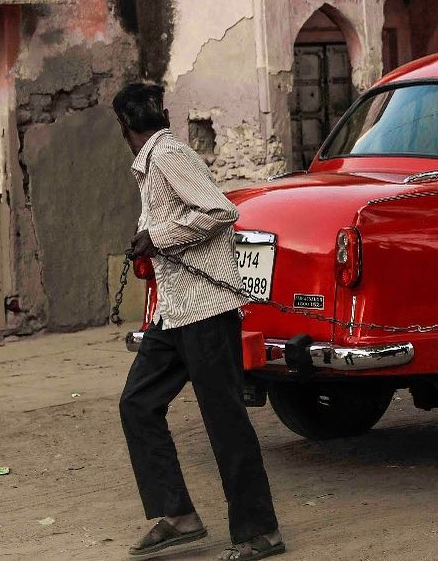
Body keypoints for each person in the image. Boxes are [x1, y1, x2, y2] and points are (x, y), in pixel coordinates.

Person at [113, 81, 284, 560]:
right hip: (174, 310)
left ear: (122, 125)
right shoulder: (151, 162)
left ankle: (260, 532)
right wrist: (154, 239)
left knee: (224, 419)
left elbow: (220, 210)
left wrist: (158, 236)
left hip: (207, 310)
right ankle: (179, 516)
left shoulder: (169, 156)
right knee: (138, 405)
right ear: (160, 113)